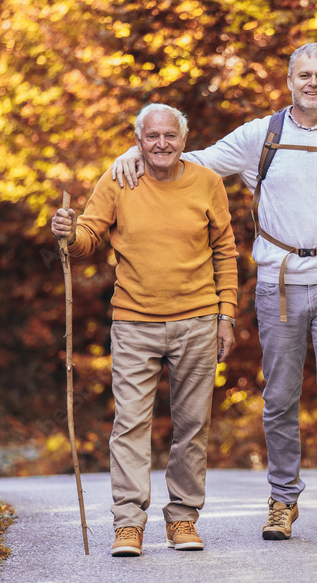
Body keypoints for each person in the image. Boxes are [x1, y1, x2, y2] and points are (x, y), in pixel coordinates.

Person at [110, 43, 317, 547]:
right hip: (279, 284)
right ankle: (282, 500)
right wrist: (136, 151)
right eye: (303, 74)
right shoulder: (263, 134)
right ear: (288, 80)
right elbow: (190, 158)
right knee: (279, 399)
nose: (312, 83)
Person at [51, 103, 238, 557]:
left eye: (170, 135)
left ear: (183, 139)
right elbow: (88, 239)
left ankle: (183, 520)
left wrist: (226, 314)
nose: (161, 144)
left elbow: (225, 252)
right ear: (138, 140)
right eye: (152, 136)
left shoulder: (208, 184)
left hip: (197, 320)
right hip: (134, 322)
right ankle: (129, 524)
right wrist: (68, 233)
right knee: (130, 424)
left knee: (193, 425)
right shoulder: (118, 180)